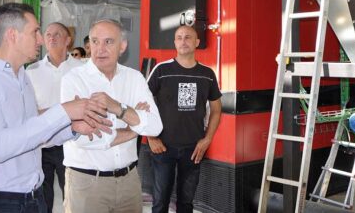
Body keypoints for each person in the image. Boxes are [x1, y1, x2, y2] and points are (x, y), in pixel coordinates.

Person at [0, 3, 112, 213]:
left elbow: (33, 133)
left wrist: (72, 128)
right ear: (12, 35)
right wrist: (64, 111)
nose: (41, 39)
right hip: (2, 203)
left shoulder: (20, 76)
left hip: (33, 198)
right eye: (35, 32)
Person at [61, 19, 163, 213]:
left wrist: (118, 108)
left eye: (108, 42)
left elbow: (155, 126)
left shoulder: (134, 78)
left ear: (122, 46)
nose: (100, 48)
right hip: (87, 184)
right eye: (95, 41)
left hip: (129, 182)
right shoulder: (74, 80)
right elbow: (84, 138)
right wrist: (134, 126)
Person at [147, 25, 222, 213]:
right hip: (163, 147)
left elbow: (216, 109)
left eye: (188, 37)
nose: (183, 41)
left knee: (186, 202)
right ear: (174, 42)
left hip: (193, 147)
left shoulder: (207, 74)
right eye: (179, 37)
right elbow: (142, 103)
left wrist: (207, 139)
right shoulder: (161, 70)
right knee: (160, 201)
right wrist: (150, 137)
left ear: (197, 43)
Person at [26, 22, 83, 213]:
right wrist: (64, 110)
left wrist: (49, 111)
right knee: (42, 199)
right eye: (48, 34)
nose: (51, 38)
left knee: (73, 197)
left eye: (57, 34)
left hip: (73, 143)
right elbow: (28, 111)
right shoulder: (31, 71)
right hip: (41, 145)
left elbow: (84, 105)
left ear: (68, 40)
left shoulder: (82, 69)